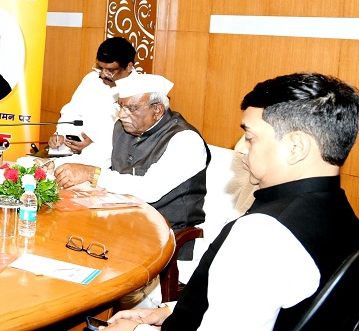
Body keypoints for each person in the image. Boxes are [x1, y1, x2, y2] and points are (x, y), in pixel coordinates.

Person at [103, 73, 359, 331]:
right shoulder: (341, 213)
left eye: (249, 137)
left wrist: (136, 330)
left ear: (296, 147)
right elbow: (266, 304)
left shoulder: (263, 233)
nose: (239, 148)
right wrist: (169, 311)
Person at [55, 73, 209, 244]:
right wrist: (55, 167)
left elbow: (149, 190)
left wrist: (92, 174)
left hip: (165, 235)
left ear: (157, 110)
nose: (121, 114)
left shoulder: (186, 140)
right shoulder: (122, 127)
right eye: (120, 106)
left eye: (131, 108)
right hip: (120, 225)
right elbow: (93, 159)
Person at [47, 37, 138, 166]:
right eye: (100, 68)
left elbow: (130, 135)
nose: (103, 74)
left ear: (128, 67)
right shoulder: (91, 79)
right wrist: (60, 134)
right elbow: (71, 111)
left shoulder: (139, 92)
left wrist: (93, 141)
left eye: (110, 70)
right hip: (70, 150)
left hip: (106, 157)